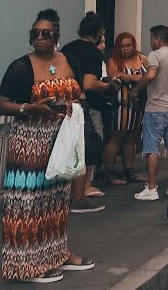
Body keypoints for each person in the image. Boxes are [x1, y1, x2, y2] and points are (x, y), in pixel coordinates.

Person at [0, 9, 95, 284]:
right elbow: (1, 105)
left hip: (59, 142)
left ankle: (56, 254)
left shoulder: (69, 60)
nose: (39, 38)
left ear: (56, 36)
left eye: (46, 33)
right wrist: (30, 108)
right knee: (27, 204)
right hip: (29, 144)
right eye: (35, 33)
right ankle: (26, 266)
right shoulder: (20, 67)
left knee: (56, 202)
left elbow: (80, 92)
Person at [59, 12, 110, 212]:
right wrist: (108, 86)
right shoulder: (93, 53)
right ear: (99, 32)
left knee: (69, 146)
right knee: (89, 145)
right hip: (81, 102)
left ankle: (68, 191)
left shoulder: (67, 48)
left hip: (63, 102)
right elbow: (89, 84)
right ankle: (82, 191)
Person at [136, 25, 168, 201]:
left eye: (151, 39)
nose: (150, 42)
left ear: (158, 39)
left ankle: (152, 187)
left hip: (155, 108)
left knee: (152, 148)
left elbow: (150, 75)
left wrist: (137, 89)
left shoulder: (155, 55)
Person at [103, 32, 147, 186]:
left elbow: (151, 74)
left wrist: (130, 78)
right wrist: (136, 78)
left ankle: (129, 170)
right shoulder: (113, 60)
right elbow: (114, 75)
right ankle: (109, 172)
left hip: (138, 105)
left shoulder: (142, 59)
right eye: (122, 46)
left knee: (132, 137)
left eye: (129, 45)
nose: (126, 48)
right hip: (121, 104)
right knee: (116, 137)